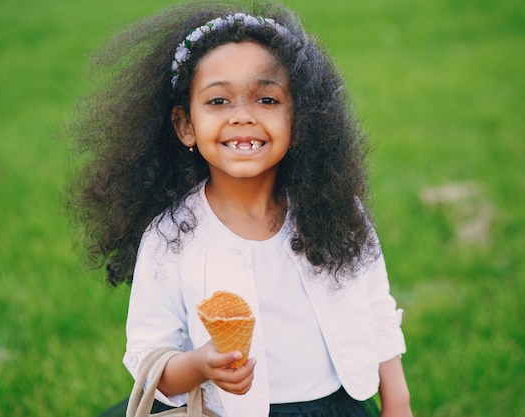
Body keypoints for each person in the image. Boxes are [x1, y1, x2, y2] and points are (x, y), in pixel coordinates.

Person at [67, 1, 412, 416]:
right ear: (185, 126)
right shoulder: (172, 235)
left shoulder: (337, 211)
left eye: (267, 99)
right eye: (218, 101)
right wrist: (198, 365)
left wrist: (398, 402)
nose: (243, 117)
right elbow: (149, 360)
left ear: (299, 118)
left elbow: (376, 310)